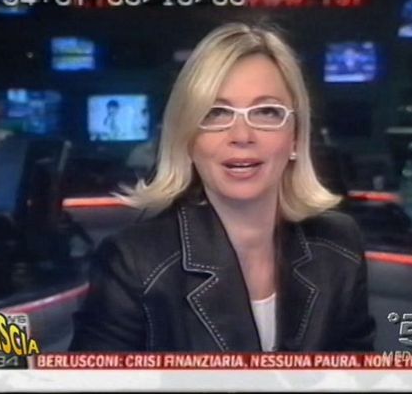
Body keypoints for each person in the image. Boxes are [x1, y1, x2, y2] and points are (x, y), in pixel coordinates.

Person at [69, 22, 375, 352]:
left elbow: (357, 372)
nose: (242, 136)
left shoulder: (339, 246)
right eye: (216, 113)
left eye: (266, 112)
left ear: (295, 137)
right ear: (187, 138)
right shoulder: (132, 263)